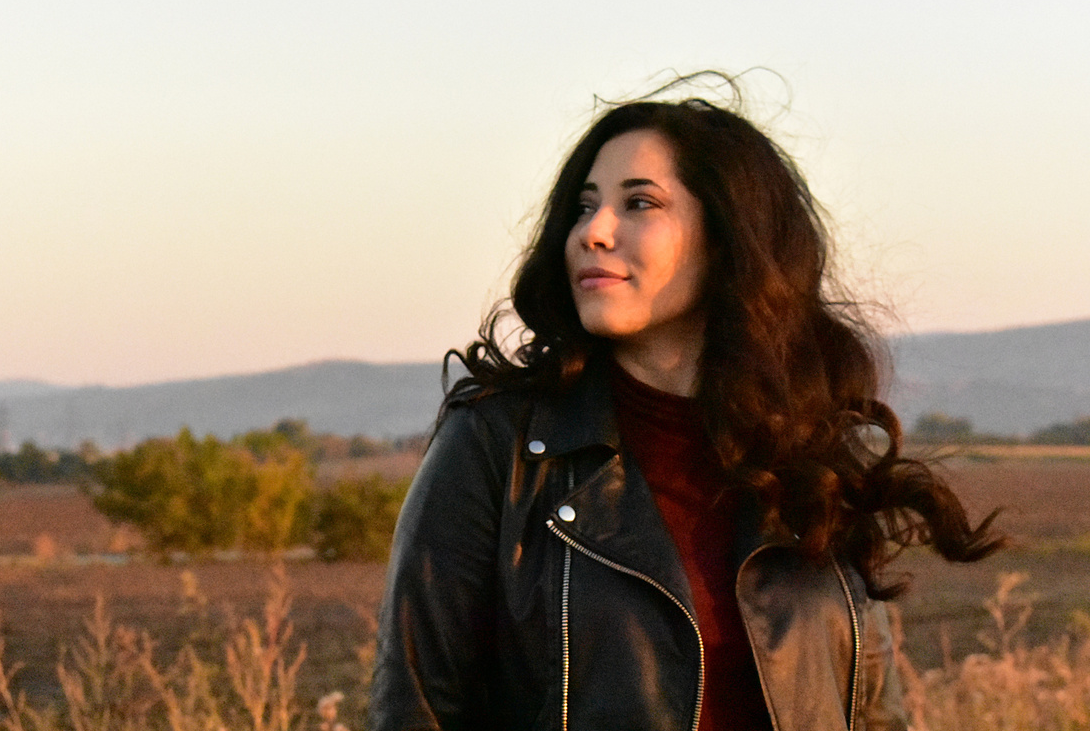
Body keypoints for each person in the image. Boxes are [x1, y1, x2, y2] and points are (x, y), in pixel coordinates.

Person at [370, 76, 1002, 731]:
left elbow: (872, 714)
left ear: (729, 241)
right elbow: (414, 709)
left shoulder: (809, 457)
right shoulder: (499, 448)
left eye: (639, 203)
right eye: (585, 207)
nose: (593, 231)